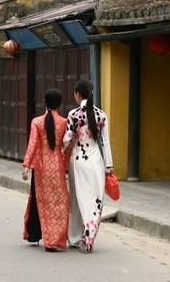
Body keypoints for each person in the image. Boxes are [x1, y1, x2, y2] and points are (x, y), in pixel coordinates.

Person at [63, 80, 113, 253]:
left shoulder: (73, 114)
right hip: (96, 162)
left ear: (78, 94)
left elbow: (67, 139)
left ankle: (76, 237)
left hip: (78, 160)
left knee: (77, 199)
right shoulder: (101, 115)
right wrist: (109, 166)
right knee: (95, 200)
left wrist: (60, 154)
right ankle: (89, 236)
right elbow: (105, 142)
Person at [21, 89, 70, 252]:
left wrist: (27, 166)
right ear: (59, 104)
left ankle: (43, 237)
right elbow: (67, 147)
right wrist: (68, 167)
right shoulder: (64, 122)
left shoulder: (37, 122)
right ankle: (55, 239)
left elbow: (33, 145)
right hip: (57, 168)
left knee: (42, 202)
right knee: (59, 203)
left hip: (41, 169)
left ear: (45, 102)